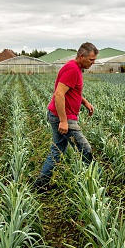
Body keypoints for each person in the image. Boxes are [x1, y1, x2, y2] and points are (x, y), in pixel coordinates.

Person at [34, 42, 98, 189]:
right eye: (91, 60)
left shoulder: (76, 68)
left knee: (57, 150)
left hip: (60, 115)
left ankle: (40, 184)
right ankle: (97, 183)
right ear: (82, 56)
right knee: (85, 149)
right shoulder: (72, 69)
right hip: (64, 117)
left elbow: (71, 91)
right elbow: (59, 94)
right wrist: (63, 121)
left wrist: (84, 102)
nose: (93, 63)